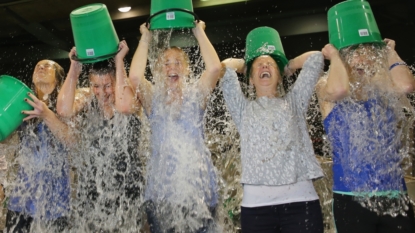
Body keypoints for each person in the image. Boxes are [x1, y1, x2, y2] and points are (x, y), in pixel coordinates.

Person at [220, 26, 325, 233]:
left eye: (270, 64)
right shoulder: (243, 109)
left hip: (301, 203)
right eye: (258, 66)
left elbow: (317, 58)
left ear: (280, 75)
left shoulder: (295, 102)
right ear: (250, 79)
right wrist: (245, 65)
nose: (264, 66)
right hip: (256, 209)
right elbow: (224, 67)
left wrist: (289, 65)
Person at [123, 21, 222, 232]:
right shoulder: (153, 99)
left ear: (187, 69)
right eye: (166, 63)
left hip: (200, 193)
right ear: (158, 70)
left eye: (178, 62)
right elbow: (134, 77)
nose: (172, 67)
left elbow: (214, 68)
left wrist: (199, 32)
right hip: (161, 195)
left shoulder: (197, 94)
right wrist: (146, 38)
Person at [316, 39, 415, 233]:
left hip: (394, 194)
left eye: (368, 53)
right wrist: (335, 56)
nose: (361, 58)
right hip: (350, 196)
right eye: (354, 52)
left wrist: (390, 53)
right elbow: (339, 89)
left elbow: (407, 86)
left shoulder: (382, 86)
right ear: (344, 58)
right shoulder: (325, 85)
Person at [56, 41, 144, 232]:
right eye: (96, 86)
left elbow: (124, 106)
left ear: (117, 82)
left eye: (107, 85)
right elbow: (63, 110)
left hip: (127, 189)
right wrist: (74, 67)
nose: (102, 92)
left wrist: (119, 61)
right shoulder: (88, 99)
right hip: (92, 189)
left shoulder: (131, 98)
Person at [5, 60, 75, 232]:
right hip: (22, 198)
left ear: (58, 79)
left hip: (56, 201)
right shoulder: (21, 106)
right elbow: (5, 140)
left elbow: (72, 141)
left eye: (47, 65)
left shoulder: (65, 106)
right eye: (37, 65)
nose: (40, 67)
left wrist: (46, 114)